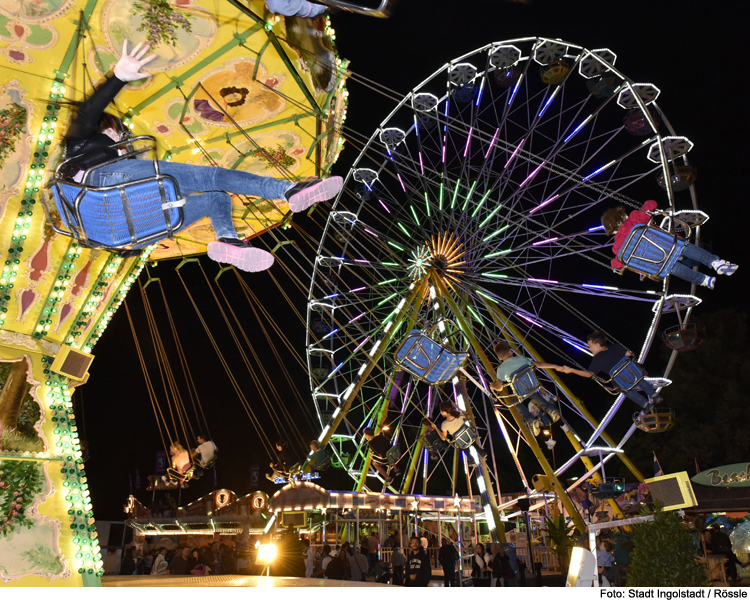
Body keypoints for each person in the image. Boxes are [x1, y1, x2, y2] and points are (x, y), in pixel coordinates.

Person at [62, 41, 343, 270]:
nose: (122, 139)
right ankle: (288, 190)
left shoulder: (120, 166)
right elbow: (87, 113)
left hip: (113, 232)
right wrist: (118, 77)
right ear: (104, 127)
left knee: (216, 196)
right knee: (213, 176)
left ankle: (228, 240)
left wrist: (133, 247)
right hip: (100, 186)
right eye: (118, 132)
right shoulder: (80, 141)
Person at [602, 200, 738, 289]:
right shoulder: (634, 218)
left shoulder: (616, 247)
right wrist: (644, 210)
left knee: (675, 269)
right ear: (623, 216)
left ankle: (704, 280)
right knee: (686, 248)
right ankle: (715, 263)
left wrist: (615, 263)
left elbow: (617, 264)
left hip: (660, 263)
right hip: (670, 245)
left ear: (612, 231)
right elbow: (651, 204)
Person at [558, 331, 661, 410]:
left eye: (590, 346)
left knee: (628, 391)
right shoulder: (615, 347)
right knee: (640, 380)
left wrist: (571, 370)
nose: (589, 349)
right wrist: (629, 354)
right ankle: (654, 395)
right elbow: (628, 354)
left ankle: (645, 404)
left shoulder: (597, 360)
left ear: (598, 345)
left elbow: (588, 374)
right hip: (633, 373)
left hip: (623, 382)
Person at [491, 341, 561, 435]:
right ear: (510, 352)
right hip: (533, 385)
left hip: (520, 392)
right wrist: (555, 366)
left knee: (514, 401)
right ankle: (551, 410)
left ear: (499, 357)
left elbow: (499, 388)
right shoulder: (522, 358)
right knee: (534, 394)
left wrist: (492, 386)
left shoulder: (501, 369)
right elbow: (538, 364)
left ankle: (532, 421)